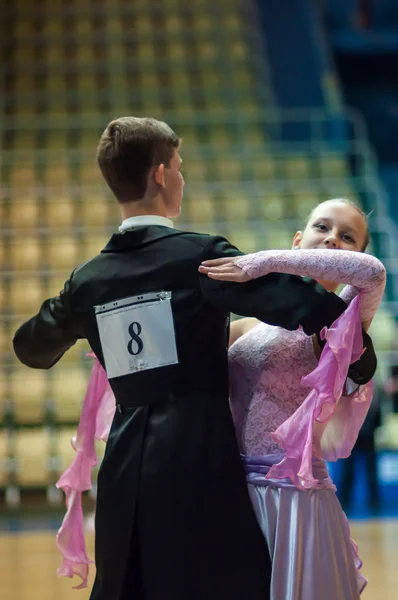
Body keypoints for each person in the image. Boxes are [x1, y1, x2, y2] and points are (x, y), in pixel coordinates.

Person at [12, 118, 375, 600]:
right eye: (179, 168)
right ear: (162, 175)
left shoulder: (88, 280)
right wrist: (358, 357)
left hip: (123, 468)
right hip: (201, 463)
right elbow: (309, 306)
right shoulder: (198, 257)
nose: (181, 178)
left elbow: (30, 347)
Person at [199, 198, 386, 600]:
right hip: (231, 490)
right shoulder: (245, 325)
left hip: (293, 497)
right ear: (298, 241)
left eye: (347, 236)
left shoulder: (343, 319)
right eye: (323, 228)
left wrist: (261, 262)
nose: (333, 240)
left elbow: (374, 273)